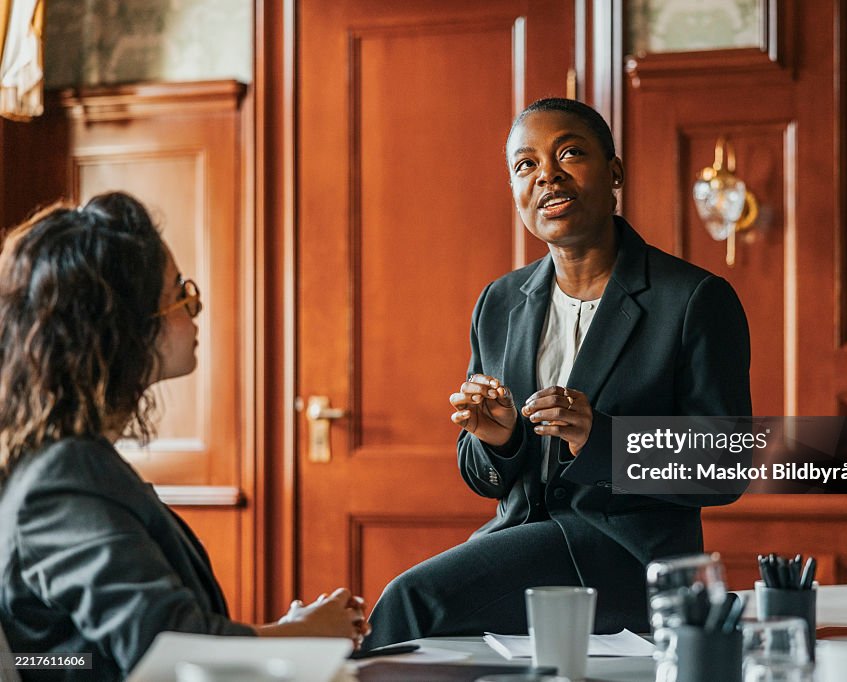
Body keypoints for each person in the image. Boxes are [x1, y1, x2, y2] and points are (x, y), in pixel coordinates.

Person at [363, 98, 752, 646]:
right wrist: (499, 440)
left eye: (570, 153)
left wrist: (602, 441)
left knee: (412, 600)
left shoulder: (694, 299)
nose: (547, 174)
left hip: (629, 557)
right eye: (525, 165)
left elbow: (725, 465)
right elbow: (483, 476)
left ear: (614, 171)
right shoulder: (499, 301)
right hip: (517, 538)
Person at [0, 193, 368, 681]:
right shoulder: (62, 478)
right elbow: (166, 651)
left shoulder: (71, 462)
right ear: (123, 325)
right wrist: (303, 635)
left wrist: (288, 630)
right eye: (179, 293)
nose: (195, 307)